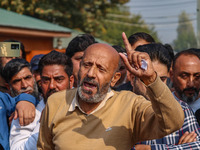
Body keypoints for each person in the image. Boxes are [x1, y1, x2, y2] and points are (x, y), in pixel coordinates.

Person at [37, 33, 184, 150]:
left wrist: (152, 79)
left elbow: (173, 122)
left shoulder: (130, 105)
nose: (91, 73)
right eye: (87, 65)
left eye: (101, 69)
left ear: (115, 79)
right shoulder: (57, 102)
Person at [130, 43, 200, 150]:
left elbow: (197, 146)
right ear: (132, 78)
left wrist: (149, 149)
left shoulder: (182, 110)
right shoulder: (120, 109)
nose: (154, 86)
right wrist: (178, 148)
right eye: (145, 79)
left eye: (161, 80)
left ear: (168, 77)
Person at [9, 50, 74, 150]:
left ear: (71, 81)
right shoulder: (27, 111)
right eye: (46, 80)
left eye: (59, 79)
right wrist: (45, 125)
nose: (52, 86)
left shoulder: (84, 105)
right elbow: (17, 148)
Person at [170, 49, 200, 113]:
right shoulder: (163, 105)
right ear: (172, 75)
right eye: (184, 76)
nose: (191, 84)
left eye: (197, 77)